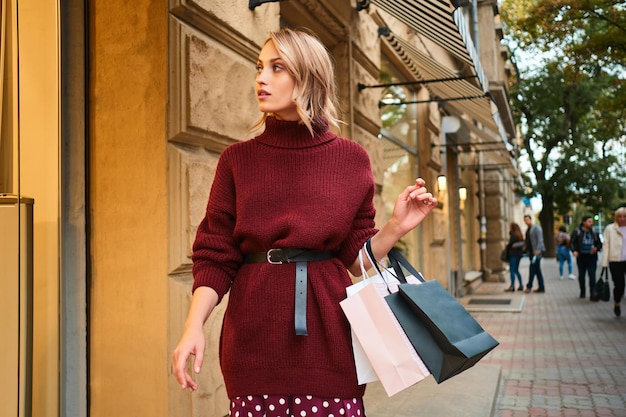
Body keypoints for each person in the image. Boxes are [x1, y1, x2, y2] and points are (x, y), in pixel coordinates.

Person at [170, 28, 438, 417]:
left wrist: (397, 226)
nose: (261, 78)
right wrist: (193, 326)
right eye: (259, 67)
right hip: (253, 337)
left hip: (330, 337)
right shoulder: (237, 160)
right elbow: (215, 254)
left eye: (277, 68)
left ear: (309, 77)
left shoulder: (351, 159)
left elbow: (354, 259)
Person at [570, 216, 603, 300]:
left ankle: (593, 293)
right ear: (584, 222)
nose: (591, 223)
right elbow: (572, 243)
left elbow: (599, 244)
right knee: (581, 276)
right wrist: (574, 251)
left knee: (592, 275)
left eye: (592, 221)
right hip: (581, 257)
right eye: (589, 221)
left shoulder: (594, 232)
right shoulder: (577, 232)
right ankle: (583, 291)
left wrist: (596, 248)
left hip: (592, 257)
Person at [601, 207, 626, 316]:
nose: (622, 219)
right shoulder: (610, 229)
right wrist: (604, 263)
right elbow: (606, 245)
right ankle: (617, 302)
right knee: (619, 285)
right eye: (619, 216)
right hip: (616, 261)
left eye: (624, 216)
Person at [523, 214, 546, 293]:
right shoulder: (528, 230)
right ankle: (541, 287)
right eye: (525, 220)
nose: (526, 221)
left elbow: (540, 240)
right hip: (531, 252)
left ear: (530, 219)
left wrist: (538, 250)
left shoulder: (536, 228)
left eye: (527, 220)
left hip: (537, 252)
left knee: (532, 269)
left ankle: (529, 287)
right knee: (537, 270)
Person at [505, 222, 525, 292]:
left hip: (513, 255)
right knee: (516, 270)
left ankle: (512, 286)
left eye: (510, 227)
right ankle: (521, 285)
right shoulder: (519, 235)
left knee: (512, 271)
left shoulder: (513, 235)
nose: (509, 228)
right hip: (519, 255)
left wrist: (507, 246)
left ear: (512, 228)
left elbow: (511, 244)